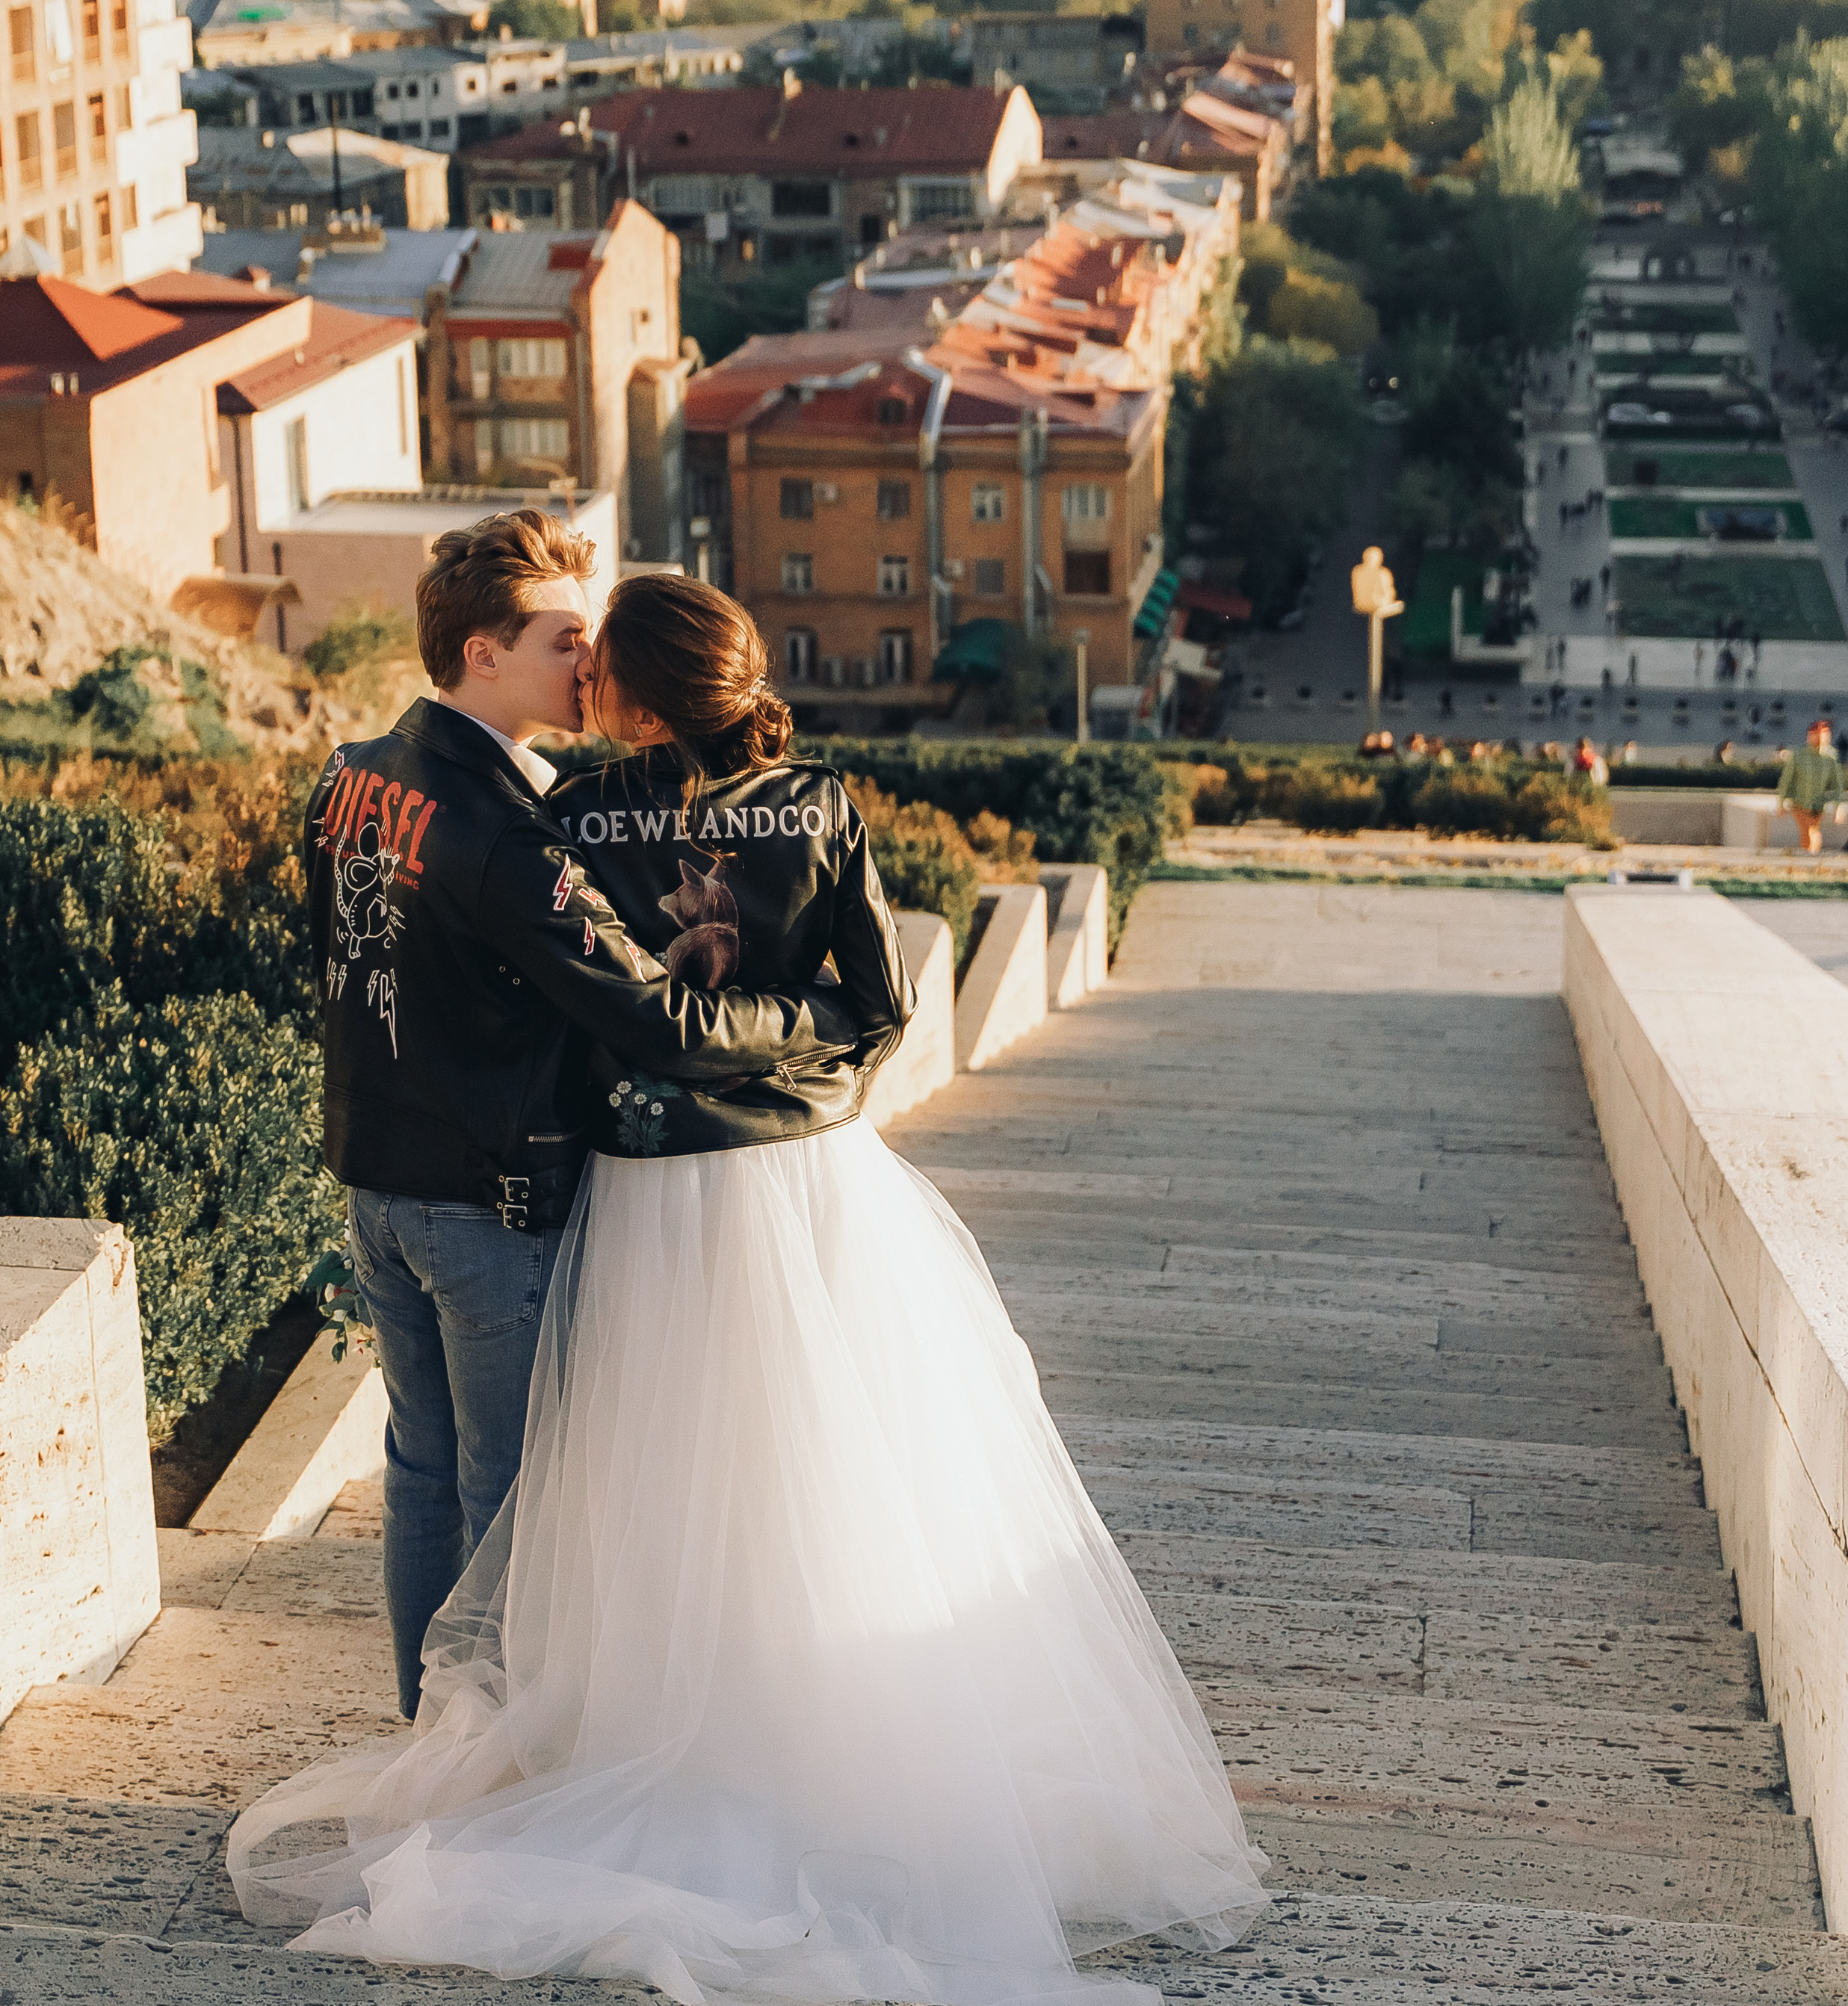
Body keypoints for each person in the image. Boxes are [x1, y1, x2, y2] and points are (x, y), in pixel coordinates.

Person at [230, 578, 1268, 2002]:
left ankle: (594, 1740)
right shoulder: (821, 803)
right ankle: (822, 1740)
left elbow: (601, 1013)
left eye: (603, 670)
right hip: (805, 1178)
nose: (583, 681)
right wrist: (803, 1056)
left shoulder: (579, 818)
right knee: (829, 1471)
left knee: (644, 1485)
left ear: (643, 702)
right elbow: (887, 1005)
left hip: (647, 1200)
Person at [295, 512, 856, 1718]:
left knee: (422, 1474)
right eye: (563, 641)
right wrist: (817, 1024)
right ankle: (492, 1756)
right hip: (486, 1207)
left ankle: (429, 1726)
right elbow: (653, 1016)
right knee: (514, 1496)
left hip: (374, 1186)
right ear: (482, 656)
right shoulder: (511, 840)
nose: (590, 666)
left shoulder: (349, 778)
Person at [1778, 718, 1847, 855]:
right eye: (1818, 734)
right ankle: (1810, 858)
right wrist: (1781, 803)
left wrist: (1839, 807)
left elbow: (1838, 784)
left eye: (1825, 734)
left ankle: (1810, 858)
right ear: (1810, 735)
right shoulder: (1798, 755)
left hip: (1818, 805)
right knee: (1808, 831)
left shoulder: (1831, 757)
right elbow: (1786, 780)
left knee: (1813, 831)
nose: (1821, 738)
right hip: (1799, 802)